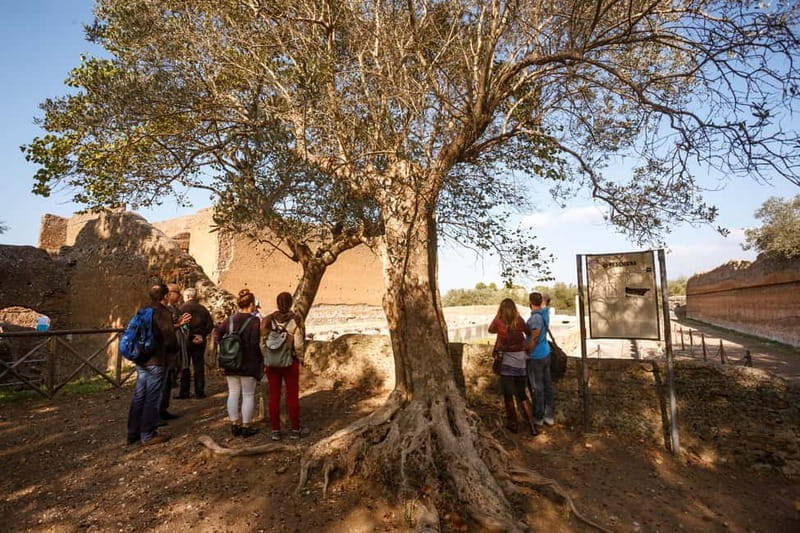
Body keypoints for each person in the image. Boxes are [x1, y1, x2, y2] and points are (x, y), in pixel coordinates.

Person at [126, 284, 177, 445]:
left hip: (142, 359)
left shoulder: (144, 311)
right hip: (156, 360)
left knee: (139, 396)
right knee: (152, 397)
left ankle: (133, 432)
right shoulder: (163, 313)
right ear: (165, 296)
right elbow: (169, 340)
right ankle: (148, 434)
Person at [214, 289, 263, 437]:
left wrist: (224, 346)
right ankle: (246, 426)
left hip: (231, 362)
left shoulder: (229, 320)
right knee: (248, 394)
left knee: (233, 393)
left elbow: (217, 333)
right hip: (248, 363)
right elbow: (255, 343)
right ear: (251, 304)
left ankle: (235, 423)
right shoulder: (254, 321)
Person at [488, 298, 537, 436]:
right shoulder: (519, 320)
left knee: (508, 394)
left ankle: (513, 424)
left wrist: (498, 317)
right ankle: (532, 426)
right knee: (521, 394)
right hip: (520, 359)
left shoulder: (499, 321)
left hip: (507, 360)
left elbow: (490, 330)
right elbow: (528, 333)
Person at [263, 292, 307, 441]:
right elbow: (299, 344)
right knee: (292, 396)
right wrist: (301, 358)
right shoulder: (295, 320)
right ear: (290, 303)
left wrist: (267, 357)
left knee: (274, 396)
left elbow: (262, 342)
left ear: (277, 303)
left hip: (271, 363)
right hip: (290, 362)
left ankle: (275, 430)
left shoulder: (268, 320)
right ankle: (295, 429)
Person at [160, 283, 190, 421]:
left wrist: (183, 324)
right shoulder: (162, 309)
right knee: (162, 382)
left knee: (168, 380)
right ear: (169, 294)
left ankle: (163, 408)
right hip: (165, 351)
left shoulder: (174, 309)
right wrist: (179, 323)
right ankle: (158, 412)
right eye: (177, 292)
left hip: (175, 348)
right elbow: (163, 329)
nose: (179, 295)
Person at [176, 287, 214, 399]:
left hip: (186, 341)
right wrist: (201, 335)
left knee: (185, 365)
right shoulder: (203, 309)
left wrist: (189, 336)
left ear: (187, 296)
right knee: (199, 366)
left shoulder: (182, 308)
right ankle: (200, 391)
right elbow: (210, 325)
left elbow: (181, 325)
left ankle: (184, 392)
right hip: (200, 340)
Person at [526, 291, 554, 427]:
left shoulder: (536, 317)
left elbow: (535, 337)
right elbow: (547, 299)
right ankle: (549, 415)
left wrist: (527, 352)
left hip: (537, 356)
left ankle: (539, 416)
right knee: (547, 385)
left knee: (538, 388)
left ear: (530, 303)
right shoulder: (545, 313)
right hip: (546, 353)